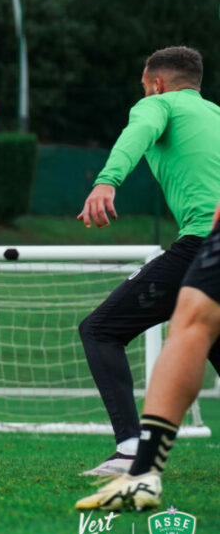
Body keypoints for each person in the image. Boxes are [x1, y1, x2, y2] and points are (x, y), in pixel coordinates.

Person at [76, 45, 220, 476]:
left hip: (204, 243)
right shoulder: (214, 113)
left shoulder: (158, 105)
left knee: (100, 329)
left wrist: (106, 182)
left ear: (156, 85)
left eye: (144, 89)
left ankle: (128, 451)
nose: (144, 98)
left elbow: (135, 135)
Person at [76, 200, 220, 511]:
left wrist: (106, 181)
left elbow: (131, 147)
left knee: (191, 325)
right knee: (199, 325)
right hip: (206, 236)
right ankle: (140, 467)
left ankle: (136, 459)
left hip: (201, 238)